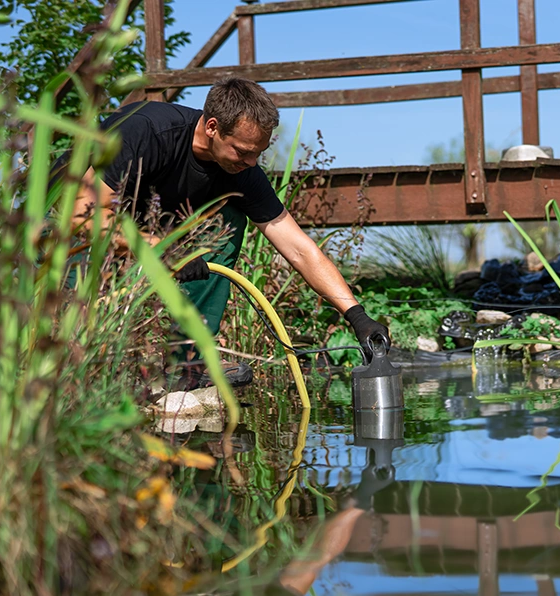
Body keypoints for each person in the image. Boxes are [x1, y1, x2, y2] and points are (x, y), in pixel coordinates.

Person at [70, 76, 389, 388]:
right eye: (242, 151)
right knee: (75, 339)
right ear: (212, 128)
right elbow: (82, 219)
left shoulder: (242, 170)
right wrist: (162, 248)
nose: (252, 162)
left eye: (258, 153)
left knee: (229, 216)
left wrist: (356, 316)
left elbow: (299, 248)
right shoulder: (149, 130)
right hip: (73, 231)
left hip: (151, 230)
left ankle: (186, 361)